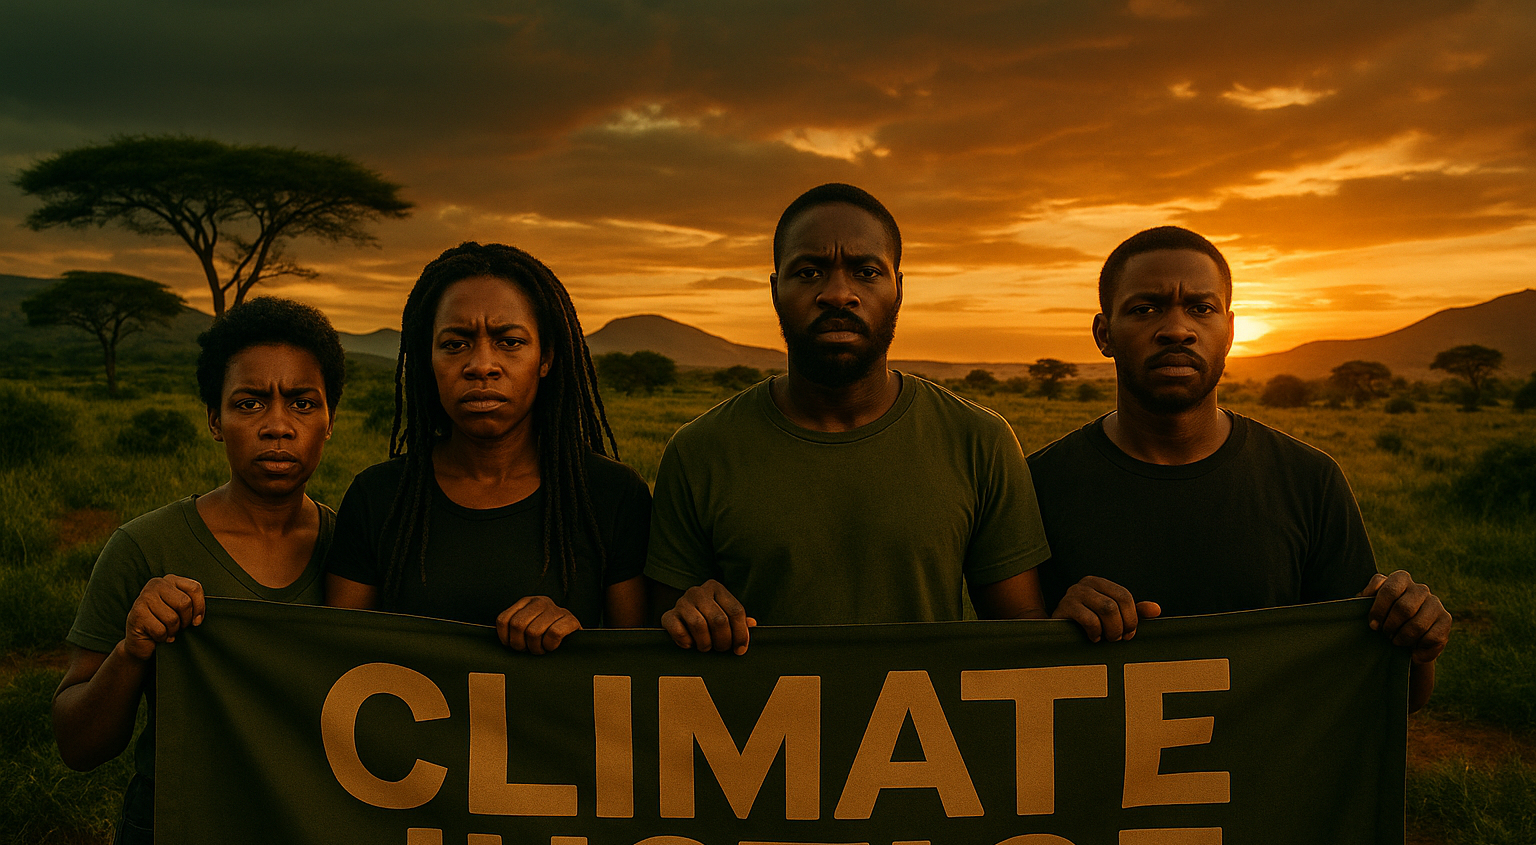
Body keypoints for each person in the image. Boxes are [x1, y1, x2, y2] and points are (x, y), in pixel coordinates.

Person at [53, 297, 346, 845]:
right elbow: (76, 742)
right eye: (250, 401)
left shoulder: (359, 557)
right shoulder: (144, 548)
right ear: (215, 420)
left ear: (327, 418)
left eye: (301, 402)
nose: (277, 424)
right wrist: (132, 650)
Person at [1028, 225, 1450, 711]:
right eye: (1145, 308)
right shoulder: (1036, 484)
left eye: (1201, 309)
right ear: (1104, 334)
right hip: (1104, 780)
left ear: (1229, 332)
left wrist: (1417, 643)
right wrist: (1052, 633)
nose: (1177, 329)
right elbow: (999, 687)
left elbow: (1383, 693)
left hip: (1271, 783)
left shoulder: (1308, 480)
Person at [647, 183, 1050, 652]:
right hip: (755, 727)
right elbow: (655, 646)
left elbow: (1023, 638)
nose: (838, 294)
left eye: (865, 272)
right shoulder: (700, 451)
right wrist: (692, 613)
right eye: (810, 271)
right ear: (776, 290)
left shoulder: (979, 441)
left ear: (899, 289)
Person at [325, 242, 650, 650]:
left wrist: (578, 645)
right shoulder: (378, 499)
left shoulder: (611, 495)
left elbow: (641, 666)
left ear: (546, 357)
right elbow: (335, 660)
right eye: (454, 344)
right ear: (428, 359)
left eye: (509, 342)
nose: (481, 365)